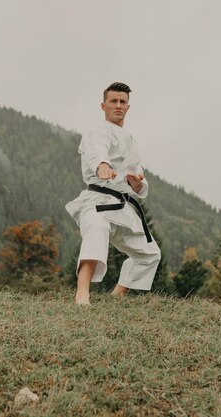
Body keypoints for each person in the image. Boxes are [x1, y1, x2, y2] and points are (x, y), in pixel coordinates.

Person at [65, 82, 161, 305]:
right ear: (103, 105)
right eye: (113, 101)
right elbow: (97, 151)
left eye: (122, 102)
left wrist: (137, 185)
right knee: (96, 231)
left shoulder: (131, 141)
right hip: (97, 201)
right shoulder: (97, 131)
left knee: (150, 254)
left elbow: (138, 177)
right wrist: (102, 165)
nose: (118, 105)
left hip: (122, 206)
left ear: (128, 107)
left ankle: (117, 295)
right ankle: (82, 294)